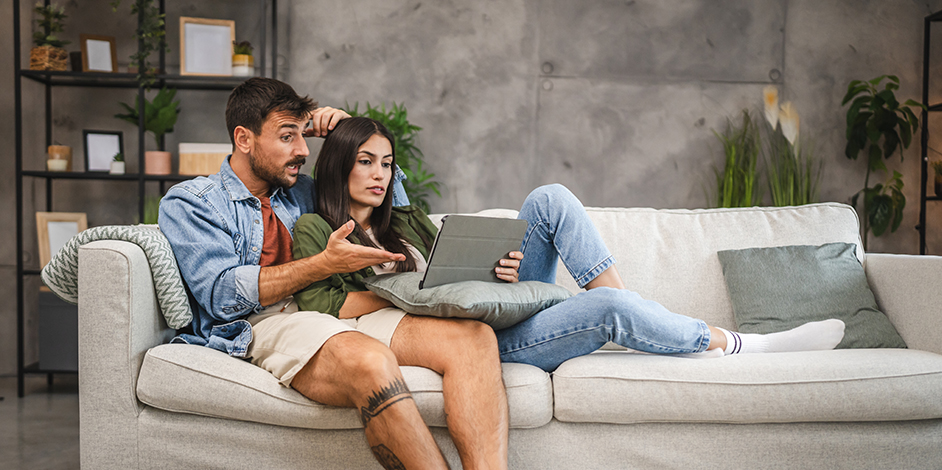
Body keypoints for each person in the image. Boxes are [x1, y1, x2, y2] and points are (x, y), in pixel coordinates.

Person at [158, 78, 591, 470]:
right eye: (287, 136)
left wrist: (344, 130)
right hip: (264, 322)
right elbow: (222, 296)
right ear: (244, 139)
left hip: (342, 301)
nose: (300, 150)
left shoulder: (300, 187)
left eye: (303, 137)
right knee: (369, 361)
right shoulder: (192, 201)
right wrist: (320, 266)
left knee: (472, 336)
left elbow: (380, 185)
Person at [293, 116, 846, 376]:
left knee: (550, 197)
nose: (380, 175)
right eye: (364, 161)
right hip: (476, 339)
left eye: (387, 163)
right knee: (608, 310)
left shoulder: (406, 221)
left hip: (494, 306)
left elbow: (460, 276)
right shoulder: (317, 228)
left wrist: (499, 272)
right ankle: (741, 345)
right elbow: (323, 305)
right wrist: (405, 289)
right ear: (338, 165)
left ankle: (635, 316)